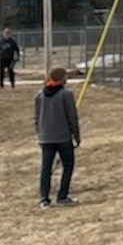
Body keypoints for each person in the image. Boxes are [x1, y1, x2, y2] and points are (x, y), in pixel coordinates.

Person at [35, 66, 80, 207]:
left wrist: (40, 133)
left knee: (46, 168)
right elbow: (72, 117)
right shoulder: (66, 95)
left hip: (45, 137)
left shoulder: (39, 95)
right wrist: (76, 135)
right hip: (62, 137)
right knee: (68, 165)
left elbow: (36, 117)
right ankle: (62, 195)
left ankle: (44, 198)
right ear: (62, 79)